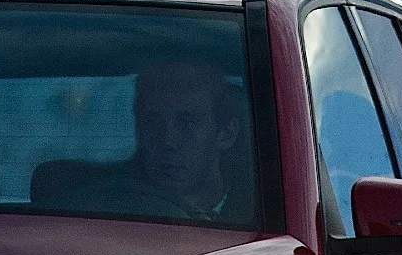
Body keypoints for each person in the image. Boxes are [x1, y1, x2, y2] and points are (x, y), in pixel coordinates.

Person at [33, 59, 247, 220]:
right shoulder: (100, 210)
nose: (167, 141)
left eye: (187, 124)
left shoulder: (258, 215)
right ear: (138, 126)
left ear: (226, 133)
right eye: (152, 123)